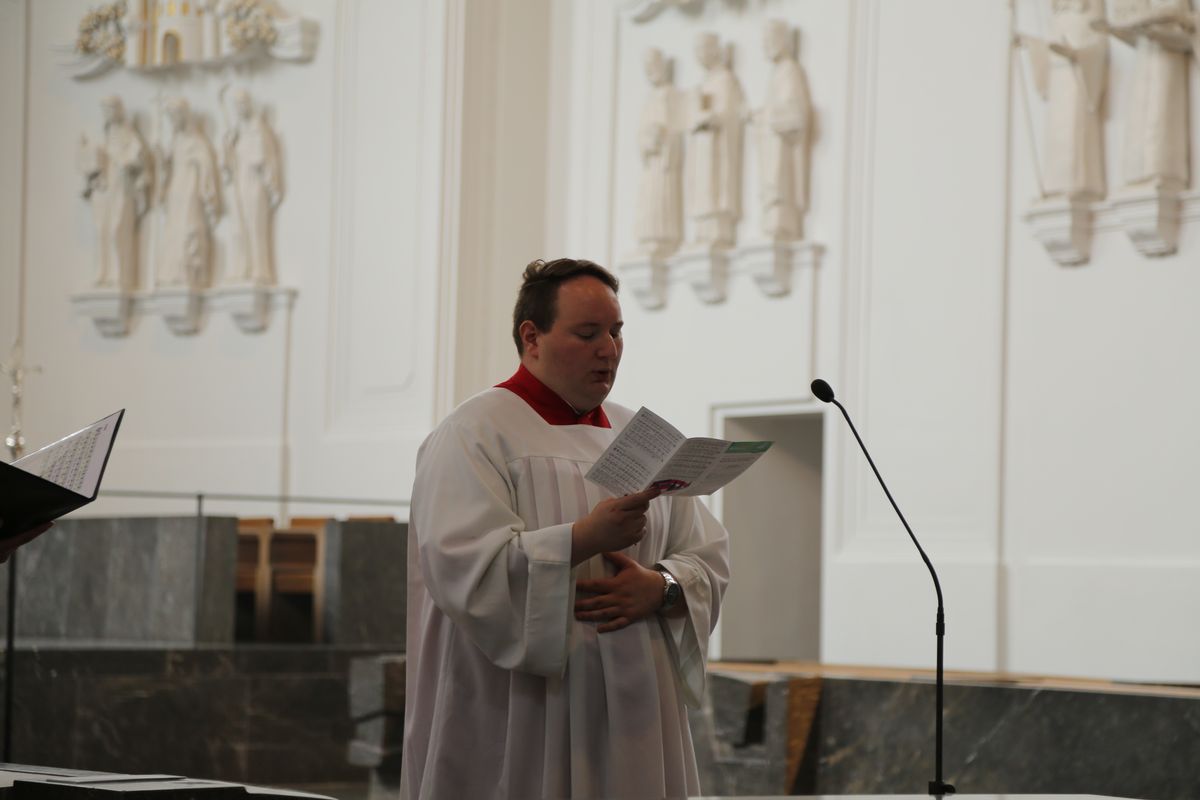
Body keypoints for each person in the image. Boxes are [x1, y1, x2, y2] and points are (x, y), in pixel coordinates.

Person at [402, 258, 730, 799]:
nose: (609, 349)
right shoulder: (475, 433)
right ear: (532, 337)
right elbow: (462, 567)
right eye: (587, 333)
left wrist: (663, 586)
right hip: (526, 709)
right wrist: (583, 539)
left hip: (636, 713)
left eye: (616, 331)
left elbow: (707, 552)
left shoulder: (642, 435)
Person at [77, 96, 151, 290]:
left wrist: (123, 160)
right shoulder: (101, 134)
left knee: (116, 229)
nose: (107, 114)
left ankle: (118, 275)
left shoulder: (128, 133)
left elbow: (138, 157)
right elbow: (91, 158)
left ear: (118, 110)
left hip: (120, 186)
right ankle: (102, 273)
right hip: (103, 187)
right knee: (101, 228)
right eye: (104, 110)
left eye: (110, 109)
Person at [757, 19, 813, 242]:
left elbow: (795, 113)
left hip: (781, 145)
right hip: (771, 142)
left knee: (779, 182)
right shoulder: (777, 73)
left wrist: (771, 117)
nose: (766, 45)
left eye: (770, 39)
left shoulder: (790, 71)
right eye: (764, 41)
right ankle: (773, 221)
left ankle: (781, 223)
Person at [157, 97, 221, 290]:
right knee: (173, 231)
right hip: (175, 190)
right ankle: (172, 273)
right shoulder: (175, 141)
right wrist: (163, 163)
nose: (172, 121)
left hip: (190, 191)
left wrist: (205, 188)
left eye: (174, 116)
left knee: (189, 228)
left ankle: (189, 272)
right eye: (169, 117)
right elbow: (166, 168)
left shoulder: (197, 141)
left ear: (183, 116)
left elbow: (206, 164)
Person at [222, 89, 283, 286]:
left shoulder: (259, 130)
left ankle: (259, 268)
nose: (239, 109)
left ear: (249, 105)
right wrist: (227, 148)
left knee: (255, 223)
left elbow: (265, 158)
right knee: (238, 226)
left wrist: (270, 181)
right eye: (236, 106)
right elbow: (228, 165)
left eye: (241, 104)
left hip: (255, 183)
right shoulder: (235, 134)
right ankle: (241, 268)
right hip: (240, 183)